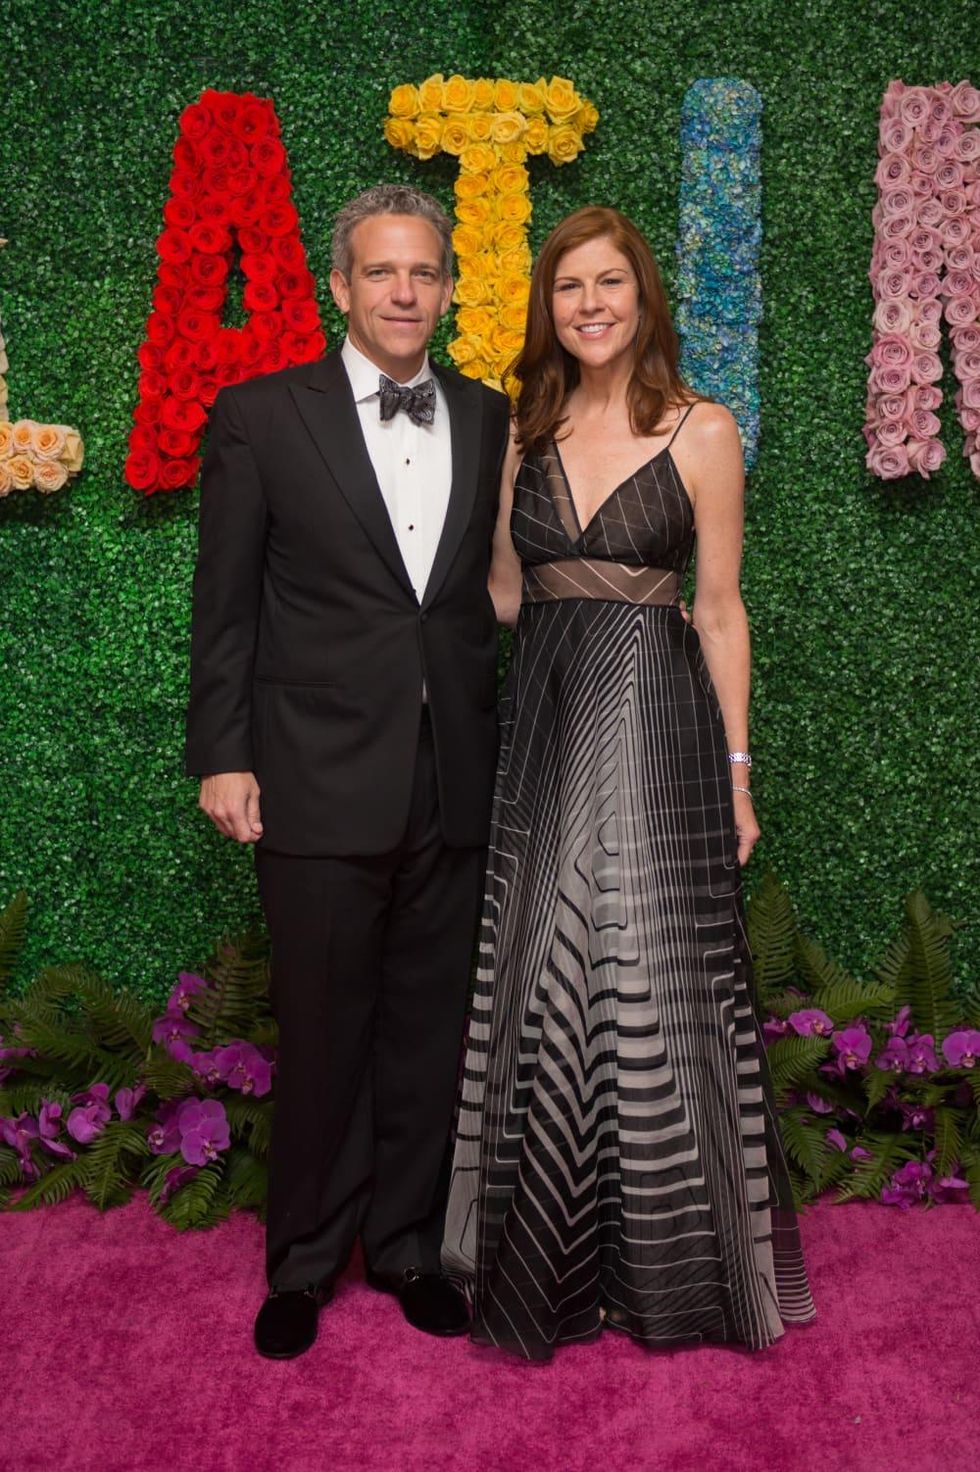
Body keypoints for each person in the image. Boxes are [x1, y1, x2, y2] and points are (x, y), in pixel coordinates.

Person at [442, 206, 816, 1360]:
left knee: (655, 967)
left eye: (609, 283)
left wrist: (739, 774)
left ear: (642, 297)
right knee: (542, 966)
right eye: (568, 288)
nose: (589, 304)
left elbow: (716, 607)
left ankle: (666, 1261)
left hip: (658, 728)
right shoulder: (519, 430)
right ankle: (546, 1258)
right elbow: (501, 594)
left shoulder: (700, 429)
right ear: (545, 306)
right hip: (545, 725)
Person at [185, 184, 510, 1359]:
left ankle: (411, 1244)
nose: (403, 291)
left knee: (428, 1025)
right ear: (341, 285)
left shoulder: (485, 414)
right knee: (323, 1025)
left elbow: (481, 598)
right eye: (381, 272)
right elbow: (221, 606)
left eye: (422, 272)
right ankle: (305, 1261)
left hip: (452, 771)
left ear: (447, 287)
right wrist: (222, 751)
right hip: (314, 772)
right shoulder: (262, 415)